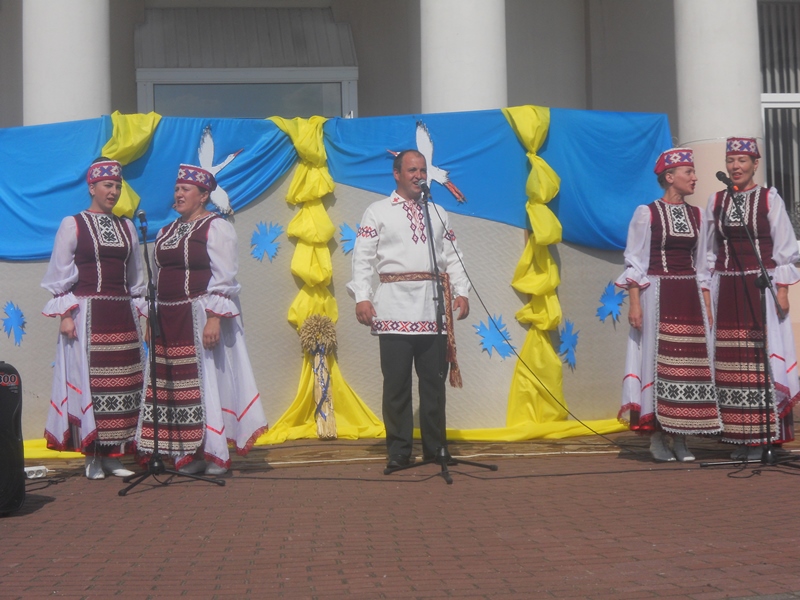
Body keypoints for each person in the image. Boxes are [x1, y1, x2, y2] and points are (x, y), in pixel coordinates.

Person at [135, 164, 267, 475]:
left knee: (206, 384)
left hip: (198, 314)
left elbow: (224, 276)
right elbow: (155, 278)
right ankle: (187, 454)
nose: (178, 194)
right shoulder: (165, 231)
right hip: (168, 318)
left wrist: (214, 318)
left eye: (186, 189)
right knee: (176, 387)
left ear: (203, 195)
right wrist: (150, 320)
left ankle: (214, 453)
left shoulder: (216, 227)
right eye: (177, 189)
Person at [346, 150, 470, 469]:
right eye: (412, 170)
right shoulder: (377, 211)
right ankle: (399, 451)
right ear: (397, 174)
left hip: (432, 307)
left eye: (423, 170)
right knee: (397, 384)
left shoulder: (438, 212)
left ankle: (435, 448)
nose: (419, 175)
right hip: (393, 307)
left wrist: (462, 291)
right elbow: (362, 257)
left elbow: (453, 256)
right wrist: (362, 296)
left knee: (433, 383)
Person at [42, 158, 145, 479]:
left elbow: (136, 276)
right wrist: (65, 316)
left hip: (122, 314)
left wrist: (140, 313)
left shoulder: (127, 227)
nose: (113, 191)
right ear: (92, 187)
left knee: (124, 383)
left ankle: (114, 454)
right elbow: (60, 273)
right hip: (87, 315)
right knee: (92, 384)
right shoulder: (72, 224)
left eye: (117, 186)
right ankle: (92, 455)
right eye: (107, 185)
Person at [617, 148, 721, 462]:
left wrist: (707, 306)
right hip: (657, 294)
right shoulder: (647, 213)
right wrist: (634, 304)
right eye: (689, 172)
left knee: (689, 366)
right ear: (670, 177)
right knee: (658, 364)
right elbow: (635, 262)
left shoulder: (699, 216)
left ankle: (683, 438)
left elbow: (702, 264)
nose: (695, 178)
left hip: (689, 295)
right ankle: (658, 437)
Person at [704, 137, 800, 460]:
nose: (735, 167)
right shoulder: (716, 201)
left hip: (761, 286)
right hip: (727, 287)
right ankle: (740, 436)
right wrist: (708, 290)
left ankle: (765, 436)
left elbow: (785, 247)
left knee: (761, 359)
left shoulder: (769, 198)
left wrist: (782, 291)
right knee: (732, 361)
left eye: (742, 161)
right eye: (731, 161)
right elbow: (709, 250)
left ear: (755, 164)